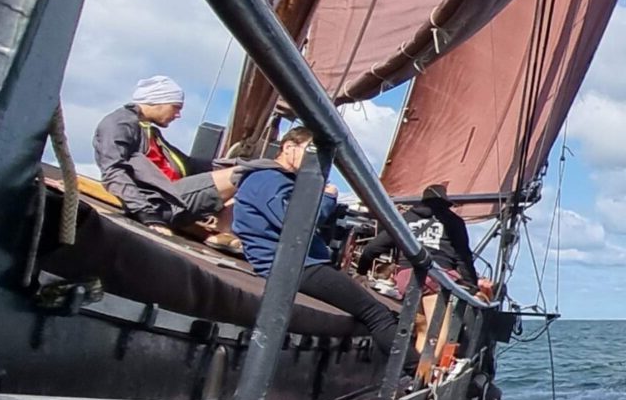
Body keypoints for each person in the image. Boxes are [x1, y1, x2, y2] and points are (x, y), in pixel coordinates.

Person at [231, 126, 403, 353]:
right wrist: (327, 198)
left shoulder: (273, 180)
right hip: (295, 267)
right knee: (378, 314)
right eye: (313, 151)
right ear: (289, 147)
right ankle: (415, 376)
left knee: (375, 312)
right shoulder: (269, 179)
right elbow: (296, 222)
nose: (321, 161)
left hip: (296, 264)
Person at [92, 76, 239, 230]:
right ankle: (224, 230)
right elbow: (113, 171)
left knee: (250, 171)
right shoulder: (119, 124)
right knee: (240, 175)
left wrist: (237, 163)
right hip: (161, 202)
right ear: (157, 102)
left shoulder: (148, 130)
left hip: (171, 196)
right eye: (176, 107)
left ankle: (224, 230)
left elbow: (188, 164)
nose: (178, 114)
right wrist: (147, 213)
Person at [355, 182, 480, 292]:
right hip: (442, 277)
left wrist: (362, 271)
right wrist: (472, 286)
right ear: (445, 203)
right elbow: (463, 257)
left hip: (408, 278)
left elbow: (373, 248)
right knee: (442, 300)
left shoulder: (405, 218)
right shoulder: (455, 222)